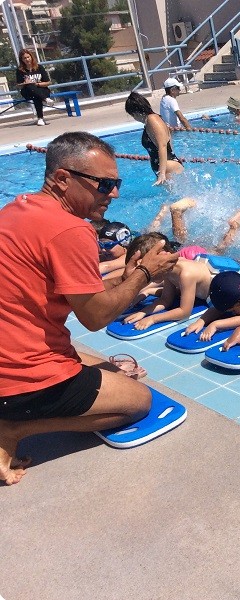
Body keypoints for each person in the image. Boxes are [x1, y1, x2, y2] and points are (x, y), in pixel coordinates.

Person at [0, 131, 178, 485]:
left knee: (107, 367)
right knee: (138, 400)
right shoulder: (69, 230)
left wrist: (125, 278)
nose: (114, 193)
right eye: (104, 184)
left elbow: (80, 296)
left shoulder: (17, 209)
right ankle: (13, 428)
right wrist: (144, 274)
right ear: (63, 179)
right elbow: (95, 317)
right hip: (16, 381)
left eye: (117, 182)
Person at [122, 232, 217, 330]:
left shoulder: (186, 274)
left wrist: (153, 319)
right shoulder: (168, 269)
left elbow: (184, 312)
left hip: (219, 291)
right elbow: (166, 300)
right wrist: (142, 312)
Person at [124, 91, 184, 185]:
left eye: (132, 115)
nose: (134, 118)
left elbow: (163, 145)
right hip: (166, 168)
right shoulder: (151, 121)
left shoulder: (152, 119)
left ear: (136, 112)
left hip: (168, 167)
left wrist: (162, 173)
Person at [16, 48, 53, 126]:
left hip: (41, 89)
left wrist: (37, 84)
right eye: (24, 58)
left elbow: (48, 82)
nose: (27, 59)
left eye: (28, 57)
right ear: (22, 60)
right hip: (27, 91)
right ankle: (46, 99)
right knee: (30, 86)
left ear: (31, 57)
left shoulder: (39, 67)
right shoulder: (20, 70)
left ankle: (40, 119)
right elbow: (19, 85)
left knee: (36, 96)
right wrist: (25, 83)